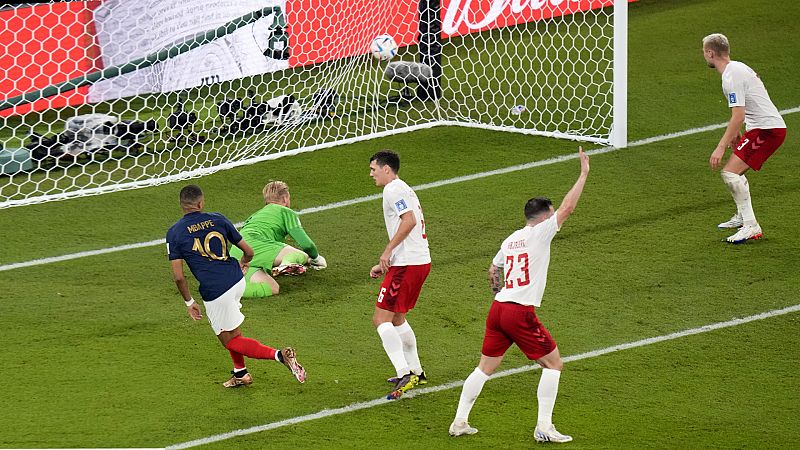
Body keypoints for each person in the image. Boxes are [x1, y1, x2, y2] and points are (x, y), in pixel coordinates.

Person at [449, 148, 590, 443]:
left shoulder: (511, 238)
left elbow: (493, 269)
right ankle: (544, 427)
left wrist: (498, 292)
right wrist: (583, 173)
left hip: (498, 309)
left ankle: (459, 421)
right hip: (519, 312)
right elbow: (568, 209)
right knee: (554, 365)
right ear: (543, 218)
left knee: (485, 368)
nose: (555, 219)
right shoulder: (541, 233)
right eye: (550, 216)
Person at [166, 184, 306, 387]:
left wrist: (189, 302)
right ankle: (241, 374)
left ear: (181, 205)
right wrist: (244, 263)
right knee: (232, 329)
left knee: (229, 340)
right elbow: (248, 251)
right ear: (201, 203)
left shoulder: (175, 233)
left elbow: (179, 277)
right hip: (237, 280)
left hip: (216, 291)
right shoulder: (218, 218)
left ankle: (279, 356)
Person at [703, 33, 787, 243]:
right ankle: (743, 216)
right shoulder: (737, 68)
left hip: (767, 130)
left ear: (710, 53)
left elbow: (738, 115)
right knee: (735, 172)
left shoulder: (731, 77)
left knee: (730, 173)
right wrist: (738, 135)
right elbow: (746, 107)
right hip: (761, 128)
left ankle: (751, 225)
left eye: (704, 51)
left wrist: (720, 147)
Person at [368, 150, 431, 400]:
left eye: (374, 169)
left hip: (408, 264)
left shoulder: (392, 189)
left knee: (380, 319)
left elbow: (409, 221)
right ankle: (416, 370)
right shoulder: (405, 188)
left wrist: (387, 251)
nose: (371, 173)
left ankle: (404, 372)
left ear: (386, 169)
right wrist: (386, 261)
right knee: (396, 318)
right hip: (417, 261)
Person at [229, 181, 327, 299]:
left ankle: (230, 291)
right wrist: (316, 258)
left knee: (272, 287)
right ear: (285, 199)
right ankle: (286, 264)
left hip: (237, 253)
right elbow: (306, 245)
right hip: (255, 245)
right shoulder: (285, 211)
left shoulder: (255, 215)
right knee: (301, 255)